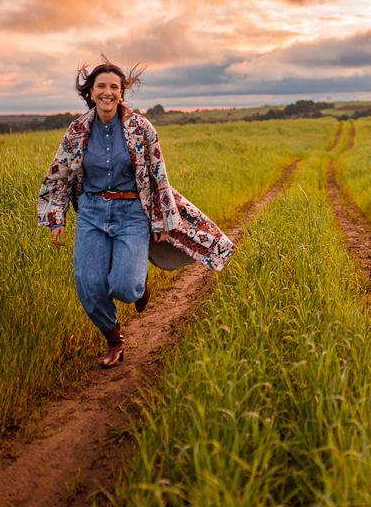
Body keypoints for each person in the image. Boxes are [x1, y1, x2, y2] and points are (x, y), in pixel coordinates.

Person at [37, 61, 234, 368]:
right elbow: (60, 174)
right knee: (89, 285)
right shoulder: (77, 130)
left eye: (114, 87)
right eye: (101, 86)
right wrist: (55, 218)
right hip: (91, 212)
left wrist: (163, 220)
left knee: (125, 287)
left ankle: (139, 281)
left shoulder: (141, 128)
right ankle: (114, 340)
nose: (107, 92)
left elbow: (158, 176)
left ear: (121, 92)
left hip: (132, 213)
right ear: (91, 91)